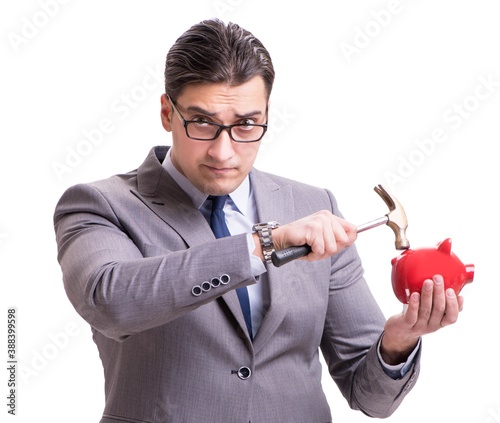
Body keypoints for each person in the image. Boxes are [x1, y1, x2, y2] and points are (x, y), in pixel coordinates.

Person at [53, 19, 463, 423]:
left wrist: (397, 342)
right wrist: (265, 244)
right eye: (202, 122)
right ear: (167, 112)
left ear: (267, 114)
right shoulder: (101, 204)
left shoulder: (314, 204)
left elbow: (370, 397)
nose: (223, 152)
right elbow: (110, 302)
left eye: (246, 124)